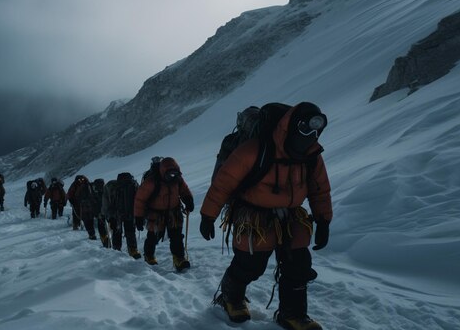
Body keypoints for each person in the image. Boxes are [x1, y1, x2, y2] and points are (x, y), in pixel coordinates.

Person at [199, 102, 332, 329]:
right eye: (305, 129)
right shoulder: (255, 149)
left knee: (298, 266)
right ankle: (231, 298)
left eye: (315, 131)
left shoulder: (311, 155)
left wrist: (323, 220)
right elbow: (223, 184)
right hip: (253, 215)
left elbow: (320, 190)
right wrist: (208, 216)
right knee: (249, 264)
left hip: (292, 216)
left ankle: (293, 314)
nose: (310, 135)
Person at [134, 157, 194, 271]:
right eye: (170, 174)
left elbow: (184, 190)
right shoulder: (151, 181)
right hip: (155, 215)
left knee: (176, 237)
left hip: (174, 212)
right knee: (153, 237)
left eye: (174, 174)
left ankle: (179, 258)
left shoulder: (178, 178)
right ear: (163, 172)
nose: (172, 176)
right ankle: (149, 256)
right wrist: (138, 217)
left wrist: (188, 200)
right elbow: (140, 200)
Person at [102, 173, 141, 259]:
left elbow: (106, 203)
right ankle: (133, 250)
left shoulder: (112, 187)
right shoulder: (133, 185)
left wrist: (108, 215)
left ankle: (117, 249)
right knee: (130, 231)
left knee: (116, 231)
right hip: (130, 213)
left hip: (116, 214)